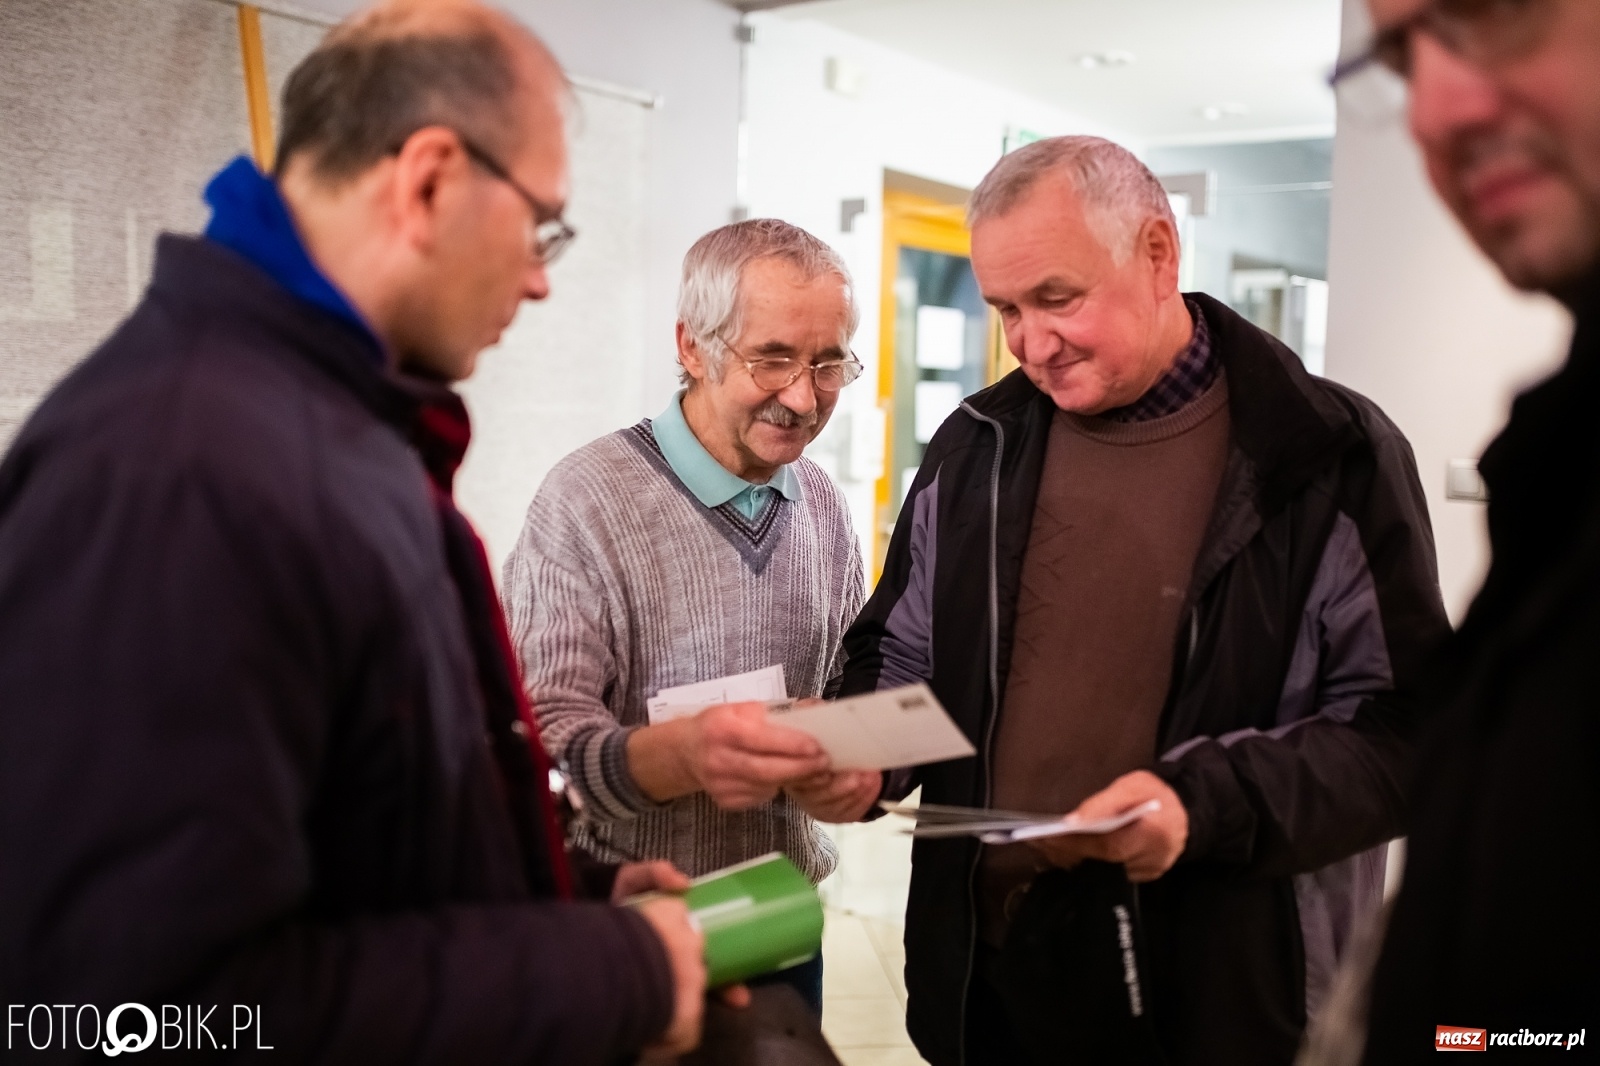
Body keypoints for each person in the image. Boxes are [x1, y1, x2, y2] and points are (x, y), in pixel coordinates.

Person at [0, 1, 714, 1060]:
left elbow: (355, 820)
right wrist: (604, 971)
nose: (538, 276)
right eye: (540, 226)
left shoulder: (329, 427)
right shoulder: (180, 474)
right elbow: (137, 1015)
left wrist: (564, 890)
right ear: (427, 178)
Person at [836, 136, 1451, 1065]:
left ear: (1158, 253)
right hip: (993, 981)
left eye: (1057, 298)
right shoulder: (977, 446)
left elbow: (1405, 736)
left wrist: (1199, 803)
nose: (1030, 343)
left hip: (1224, 994)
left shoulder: (1331, 454)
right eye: (1005, 308)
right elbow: (908, 654)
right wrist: (857, 756)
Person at [1308, 0, 1600, 1058]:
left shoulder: (1326, 447)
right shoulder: (1555, 460)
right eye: (1398, 58)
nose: (1435, 108)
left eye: (1492, 10)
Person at [501, 218, 880, 1013]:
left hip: (780, 918)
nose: (805, 398)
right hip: (630, 923)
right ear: (691, 346)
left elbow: (849, 687)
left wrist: (848, 766)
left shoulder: (824, 507)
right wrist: (681, 757)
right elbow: (541, 747)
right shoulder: (585, 501)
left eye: (829, 363)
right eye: (772, 357)